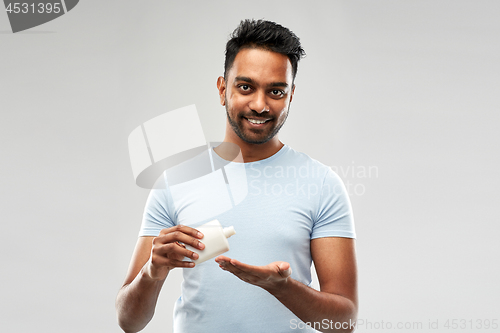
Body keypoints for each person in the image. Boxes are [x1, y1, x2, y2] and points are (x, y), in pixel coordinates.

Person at [116, 19, 358, 333]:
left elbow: (343, 323)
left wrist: (281, 287)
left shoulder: (322, 185)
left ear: (291, 96)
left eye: (276, 91)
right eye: (246, 87)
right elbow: (128, 322)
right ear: (222, 89)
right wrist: (153, 270)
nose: (260, 104)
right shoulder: (175, 182)